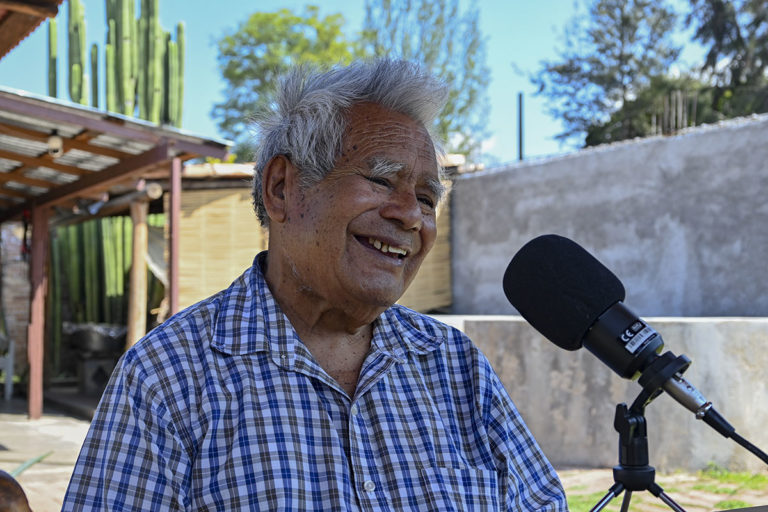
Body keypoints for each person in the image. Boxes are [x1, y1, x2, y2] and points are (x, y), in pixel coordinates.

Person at [63, 59, 568, 510]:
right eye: (382, 179)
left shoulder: (456, 368)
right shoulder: (168, 378)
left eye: (426, 198)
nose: (411, 216)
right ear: (282, 189)